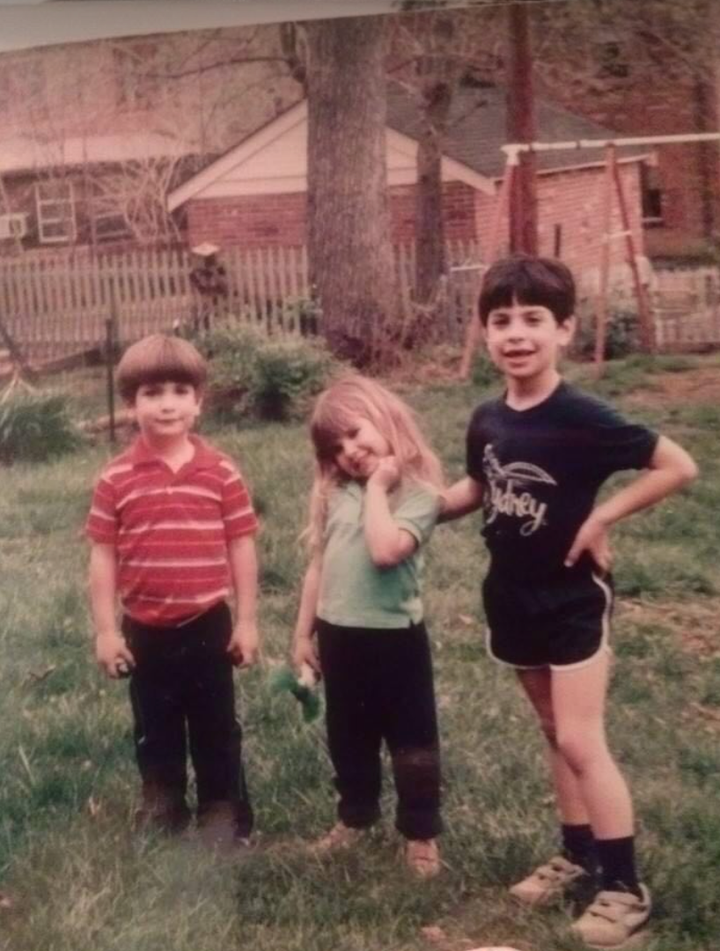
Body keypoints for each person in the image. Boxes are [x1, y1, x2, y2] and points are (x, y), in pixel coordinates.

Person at [442, 255, 698, 948]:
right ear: (485, 332)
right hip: (511, 596)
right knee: (555, 731)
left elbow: (679, 465)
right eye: (501, 320)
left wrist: (602, 518)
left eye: (533, 319)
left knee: (583, 737)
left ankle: (623, 886)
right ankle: (577, 851)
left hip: (570, 600)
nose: (516, 333)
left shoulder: (582, 414)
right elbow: (478, 487)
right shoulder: (488, 417)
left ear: (565, 330)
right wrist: (423, 510)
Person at [86, 333, 259, 851]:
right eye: (152, 392)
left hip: (208, 623)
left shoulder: (221, 471)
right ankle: (162, 804)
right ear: (130, 405)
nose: (167, 403)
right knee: (155, 727)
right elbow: (102, 555)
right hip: (145, 628)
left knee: (215, 727)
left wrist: (247, 620)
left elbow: (242, 545)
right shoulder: (116, 478)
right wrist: (105, 631)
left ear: (199, 401)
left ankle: (222, 812)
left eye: (180, 391)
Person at [292, 374, 445, 878]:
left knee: (412, 742)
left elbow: (384, 551)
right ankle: (354, 817)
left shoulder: (419, 494)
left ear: (386, 419)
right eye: (337, 448)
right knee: (349, 736)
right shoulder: (336, 494)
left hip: (396, 638)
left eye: (356, 434)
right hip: (340, 637)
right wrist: (302, 634)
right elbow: (319, 565)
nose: (351, 452)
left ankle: (420, 833)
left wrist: (380, 487)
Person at [189, 242, 228, 332]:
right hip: (203, 301)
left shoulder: (219, 270)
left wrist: (215, 274)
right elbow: (197, 290)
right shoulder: (194, 273)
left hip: (219, 300)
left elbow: (225, 288)